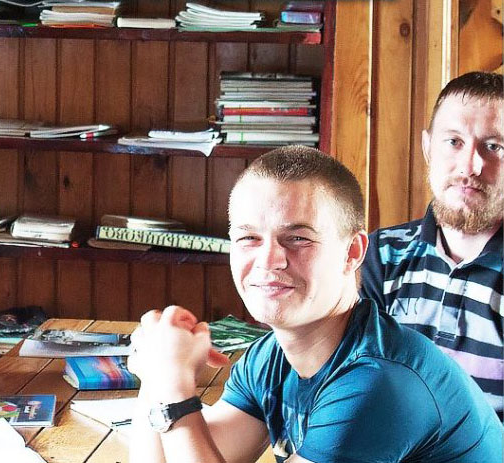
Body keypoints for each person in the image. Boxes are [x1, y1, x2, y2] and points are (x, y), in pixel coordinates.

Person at [127, 146, 502, 463]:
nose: (268, 260)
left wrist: (175, 390)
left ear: (352, 252)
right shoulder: (270, 358)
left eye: (297, 238)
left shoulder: (376, 383)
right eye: (249, 238)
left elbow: (181, 428)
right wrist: (157, 375)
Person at [360, 71, 503, 420]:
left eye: (494, 146)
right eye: (454, 141)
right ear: (427, 148)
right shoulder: (379, 256)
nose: (470, 166)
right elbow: (355, 385)